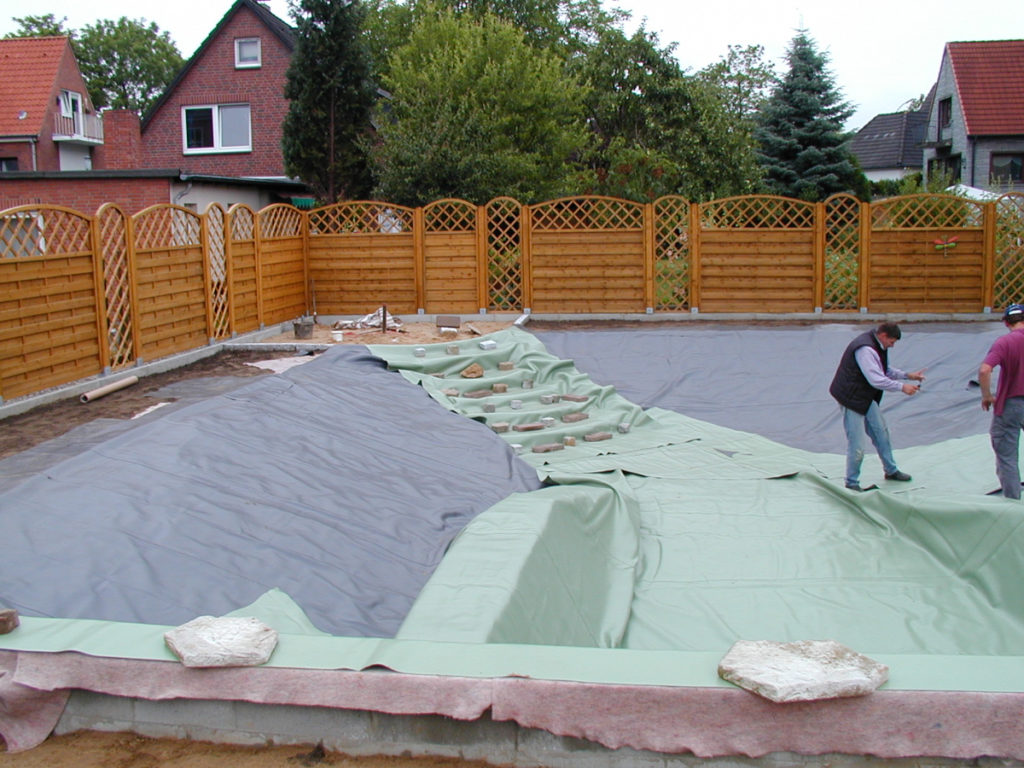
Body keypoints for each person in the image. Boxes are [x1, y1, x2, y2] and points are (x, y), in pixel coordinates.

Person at [829, 323, 925, 491]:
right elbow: (876, 379)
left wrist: (907, 376)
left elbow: (883, 369)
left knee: (881, 432)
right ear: (883, 335)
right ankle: (852, 482)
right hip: (851, 398)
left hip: (864, 396)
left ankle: (891, 470)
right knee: (857, 443)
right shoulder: (865, 349)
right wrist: (902, 387)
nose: (892, 345)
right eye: (892, 341)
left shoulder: (877, 345)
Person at [979, 304, 1024, 499]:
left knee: (1007, 456)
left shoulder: (1004, 343)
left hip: (1012, 403)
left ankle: (1013, 506)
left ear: (1006, 323)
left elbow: (984, 370)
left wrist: (987, 395)